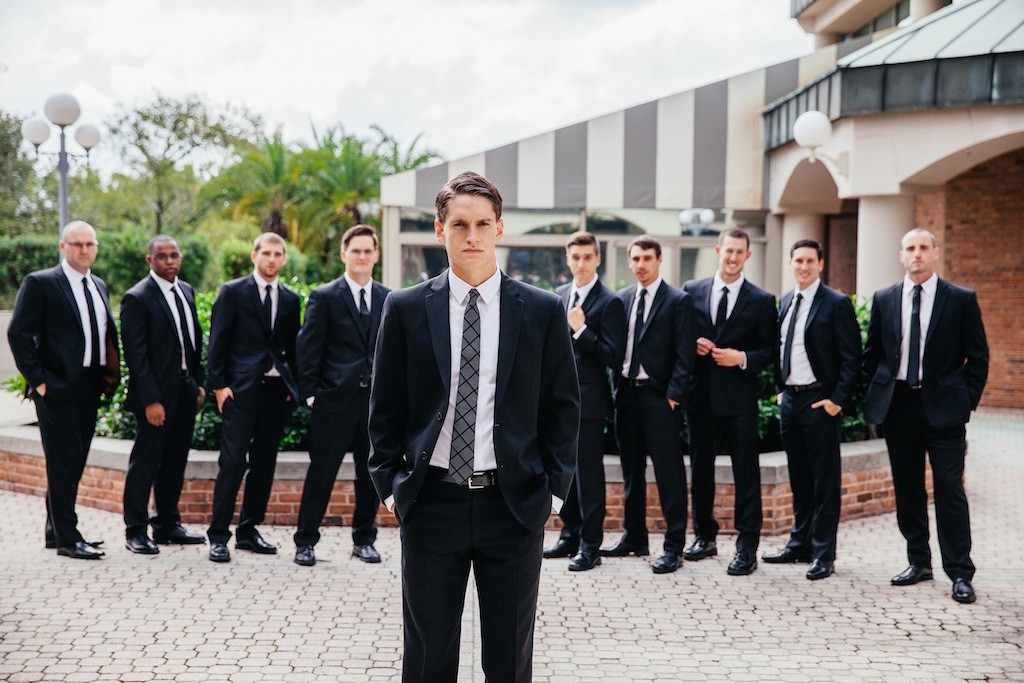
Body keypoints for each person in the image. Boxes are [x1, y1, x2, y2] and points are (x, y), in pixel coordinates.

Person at [368, 171, 580, 681]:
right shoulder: (404, 308)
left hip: (512, 505)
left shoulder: (544, 311)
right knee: (427, 657)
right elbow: (385, 410)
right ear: (440, 231)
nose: (472, 235)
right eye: (459, 224)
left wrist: (551, 495)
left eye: (483, 223)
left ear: (500, 229)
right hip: (431, 502)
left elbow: (563, 408)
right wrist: (393, 490)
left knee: (508, 658)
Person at [863, 228, 988, 604]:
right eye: (910, 249)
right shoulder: (885, 299)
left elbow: (978, 357)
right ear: (901, 256)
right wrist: (878, 393)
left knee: (949, 490)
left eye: (923, 248)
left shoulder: (960, 299)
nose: (916, 255)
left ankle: (960, 572)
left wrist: (964, 402)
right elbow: (873, 354)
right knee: (908, 488)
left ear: (935, 253)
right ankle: (918, 561)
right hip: (899, 407)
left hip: (945, 410)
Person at [7, 220, 120, 559]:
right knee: (62, 462)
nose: (85, 250)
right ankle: (70, 539)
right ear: (63, 247)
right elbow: (18, 334)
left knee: (76, 459)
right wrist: (40, 380)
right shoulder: (41, 283)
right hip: (55, 387)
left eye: (90, 244)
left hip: (89, 385)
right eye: (77, 244)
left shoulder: (98, 285)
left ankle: (55, 530)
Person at [761, 240, 861, 580]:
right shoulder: (787, 301)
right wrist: (779, 390)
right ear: (790, 264)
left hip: (820, 403)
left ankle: (823, 553)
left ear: (820, 263)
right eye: (797, 260)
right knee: (800, 479)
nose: (803, 266)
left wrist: (837, 401)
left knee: (824, 482)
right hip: (790, 401)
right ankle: (799, 544)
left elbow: (852, 359)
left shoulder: (835, 303)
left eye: (809, 260)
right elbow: (780, 349)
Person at [293, 225, 391, 567]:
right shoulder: (325, 295)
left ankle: (364, 540)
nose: (362, 257)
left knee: (370, 477)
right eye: (356, 251)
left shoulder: (388, 298)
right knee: (321, 474)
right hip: (333, 402)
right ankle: (305, 541)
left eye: (368, 251)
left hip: (375, 405)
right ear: (343, 254)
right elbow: (308, 348)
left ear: (376, 256)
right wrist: (311, 395)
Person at [683, 228, 776, 576]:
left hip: (739, 400)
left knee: (746, 474)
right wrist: (693, 343)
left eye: (740, 252)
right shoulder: (692, 290)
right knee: (701, 470)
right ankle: (704, 536)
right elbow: (680, 335)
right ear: (718, 251)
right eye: (729, 251)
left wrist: (742, 357)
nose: (733, 257)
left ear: (748, 256)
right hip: (700, 397)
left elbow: (770, 352)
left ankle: (747, 545)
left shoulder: (762, 300)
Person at [601, 235, 694, 575]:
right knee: (631, 472)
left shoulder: (677, 300)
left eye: (647, 259)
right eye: (636, 259)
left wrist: (673, 395)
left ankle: (674, 547)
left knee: (669, 474)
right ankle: (635, 537)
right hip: (626, 395)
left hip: (659, 399)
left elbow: (685, 355)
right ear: (630, 261)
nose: (641, 265)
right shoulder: (622, 299)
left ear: (659, 261)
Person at [206, 232, 301, 563]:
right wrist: (219, 386)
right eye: (266, 253)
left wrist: (294, 387)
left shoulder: (290, 299)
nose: (272, 259)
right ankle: (218, 535)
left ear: (284, 258)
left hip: (275, 393)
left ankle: (248, 530)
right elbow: (217, 341)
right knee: (232, 463)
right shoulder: (232, 292)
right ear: (254, 256)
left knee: (264, 464)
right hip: (240, 391)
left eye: (278, 254)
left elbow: (292, 346)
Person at [543, 231, 626, 572]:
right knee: (563, 472)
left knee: (589, 475)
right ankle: (570, 534)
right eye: (575, 257)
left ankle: (590, 545)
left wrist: (581, 331)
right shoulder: (558, 297)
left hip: (590, 404)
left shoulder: (610, 301)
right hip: (557, 402)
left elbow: (613, 356)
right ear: (567, 259)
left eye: (587, 257)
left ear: (597, 259)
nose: (580, 263)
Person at [120, 236, 207, 554]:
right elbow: (136, 356)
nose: (170, 261)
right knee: (145, 462)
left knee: (175, 461)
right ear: (150, 260)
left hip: (185, 390)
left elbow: (193, 341)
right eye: (162, 256)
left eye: (174, 255)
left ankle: (167, 525)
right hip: (156, 396)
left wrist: (197, 383)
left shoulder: (185, 291)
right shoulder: (137, 298)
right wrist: (150, 400)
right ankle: (135, 530)